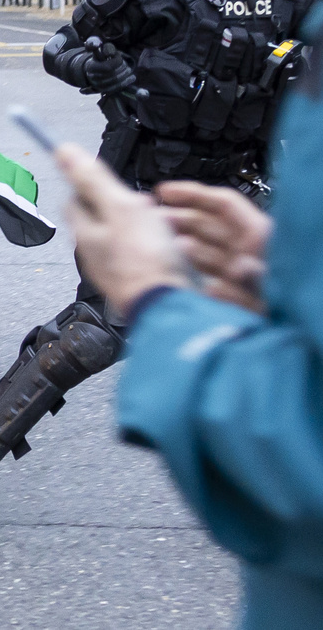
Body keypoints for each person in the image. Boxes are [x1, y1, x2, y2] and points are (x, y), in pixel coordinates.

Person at [0, 0, 323, 534]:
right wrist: (92, 67)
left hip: (246, 180)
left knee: (290, 319)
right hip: (148, 179)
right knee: (102, 327)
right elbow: (62, 44)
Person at [62, 58, 323, 626]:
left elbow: (306, 444)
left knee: (112, 322)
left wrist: (157, 304)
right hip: (162, 172)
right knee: (90, 333)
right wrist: (283, 272)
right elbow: (71, 47)